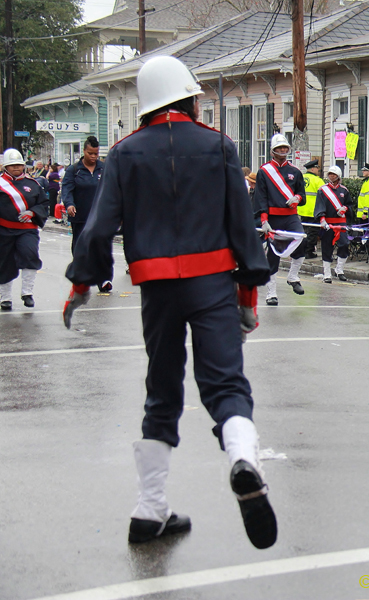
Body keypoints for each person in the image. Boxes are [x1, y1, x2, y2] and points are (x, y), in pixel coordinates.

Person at [62, 55, 276, 548]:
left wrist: (81, 282)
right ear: (186, 96)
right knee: (225, 384)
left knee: (161, 391)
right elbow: (242, 228)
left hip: (156, 288)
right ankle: (243, 459)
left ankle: (149, 509)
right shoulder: (218, 145)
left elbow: (98, 228)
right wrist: (248, 295)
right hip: (213, 284)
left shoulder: (124, 152)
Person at [254, 133, 307, 304]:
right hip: (273, 217)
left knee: (302, 241)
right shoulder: (264, 171)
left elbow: (302, 195)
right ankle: (271, 293)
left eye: (285, 147)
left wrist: (297, 198)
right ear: (273, 151)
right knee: (273, 255)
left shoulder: (295, 171)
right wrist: (263, 220)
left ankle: (293, 276)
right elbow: (260, 197)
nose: (283, 150)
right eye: (279, 148)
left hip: (291, 216)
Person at [0, 148, 49, 309]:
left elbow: (43, 204)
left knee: (30, 254)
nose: (16, 168)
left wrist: (32, 212)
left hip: (27, 228)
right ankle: (5, 298)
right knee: (4, 262)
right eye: (12, 165)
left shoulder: (33, 184)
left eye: (19, 165)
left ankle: (27, 293)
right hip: (4, 229)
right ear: (5, 167)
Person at [62, 136, 111, 292]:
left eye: (96, 154)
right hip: (80, 216)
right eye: (90, 153)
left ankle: (103, 280)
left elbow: (112, 190)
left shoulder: (104, 168)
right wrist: (69, 204)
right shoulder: (74, 170)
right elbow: (67, 190)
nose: (93, 157)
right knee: (81, 248)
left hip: (100, 217)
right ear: (84, 151)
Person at [314, 165, 351, 283]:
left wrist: (345, 208)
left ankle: (339, 270)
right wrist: (322, 219)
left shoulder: (344, 190)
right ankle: (327, 273)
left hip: (341, 223)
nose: (331, 176)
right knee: (327, 247)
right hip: (328, 223)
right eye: (330, 174)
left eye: (333, 174)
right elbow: (319, 205)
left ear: (338, 176)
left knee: (344, 244)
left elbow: (350, 205)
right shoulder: (322, 190)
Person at [301, 158, 324, 259]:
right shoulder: (318, 180)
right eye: (317, 169)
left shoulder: (300, 178)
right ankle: (308, 251)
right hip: (313, 211)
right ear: (313, 169)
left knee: (303, 232)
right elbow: (325, 194)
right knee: (312, 232)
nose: (318, 171)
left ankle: (301, 250)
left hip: (301, 210)